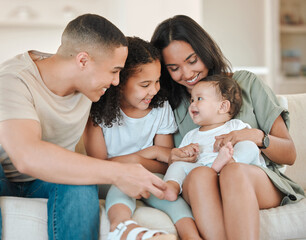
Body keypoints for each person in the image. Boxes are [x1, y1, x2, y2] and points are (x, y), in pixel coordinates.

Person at [0, 14, 168, 240]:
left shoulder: (92, 83)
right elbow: (26, 156)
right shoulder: (14, 80)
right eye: (114, 71)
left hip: (48, 179)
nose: (117, 81)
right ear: (82, 61)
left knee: (81, 185)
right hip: (5, 176)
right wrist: (120, 172)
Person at [151, 15, 305, 239]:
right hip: (202, 184)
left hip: (254, 180)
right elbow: (170, 168)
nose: (186, 74)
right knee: (199, 176)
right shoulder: (171, 105)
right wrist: (172, 156)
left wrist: (255, 136)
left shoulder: (246, 84)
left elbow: (289, 155)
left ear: (205, 51)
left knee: (232, 170)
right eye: (174, 68)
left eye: (192, 61)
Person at [84, 36, 201, 240]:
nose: (154, 90)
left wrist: (149, 156)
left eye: (157, 81)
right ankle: (120, 227)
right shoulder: (98, 112)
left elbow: (167, 166)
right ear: (119, 83)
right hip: (110, 179)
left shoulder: (160, 106)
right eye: (145, 84)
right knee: (123, 183)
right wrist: (144, 158)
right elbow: (99, 166)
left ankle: (193, 237)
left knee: (170, 194)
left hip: (152, 177)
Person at [163, 75, 266, 201]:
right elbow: (182, 159)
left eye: (199, 99)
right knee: (177, 166)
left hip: (234, 174)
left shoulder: (235, 126)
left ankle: (229, 162)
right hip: (204, 174)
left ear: (222, 107)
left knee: (249, 146)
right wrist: (186, 152)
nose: (192, 104)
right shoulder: (191, 135)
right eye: (192, 100)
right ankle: (172, 187)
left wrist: (231, 148)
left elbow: (255, 150)